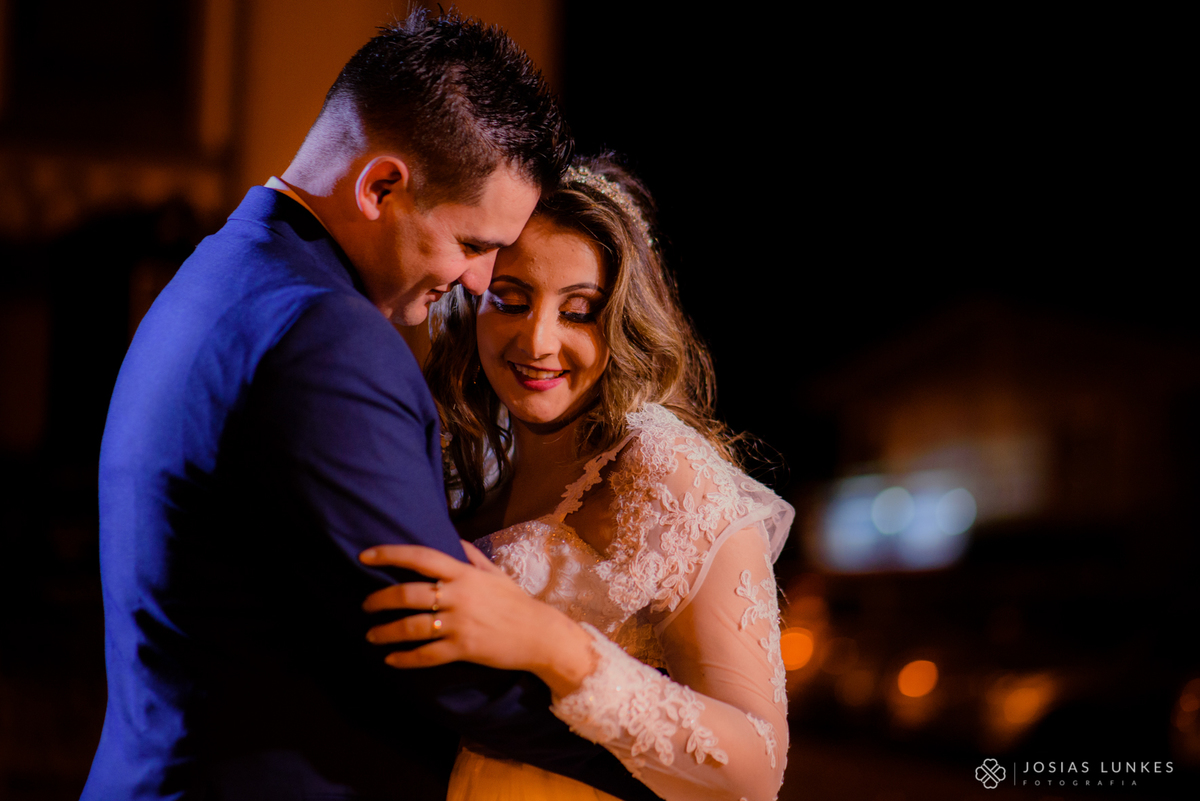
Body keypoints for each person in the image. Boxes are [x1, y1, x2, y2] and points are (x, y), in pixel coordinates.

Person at [82, 12, 659, 801]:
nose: (481, 281)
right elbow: (436, 652)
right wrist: (661, 752)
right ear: (381, 185)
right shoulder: (328, 338)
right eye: (473, 243)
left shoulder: (221, 272)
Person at [359, 156, 794, 801]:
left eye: (579, 310)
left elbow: (757, 767)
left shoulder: (667, 473)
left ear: (621, 320)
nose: (537, 340)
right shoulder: (467, 452)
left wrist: (552, 646)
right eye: (510, 301)